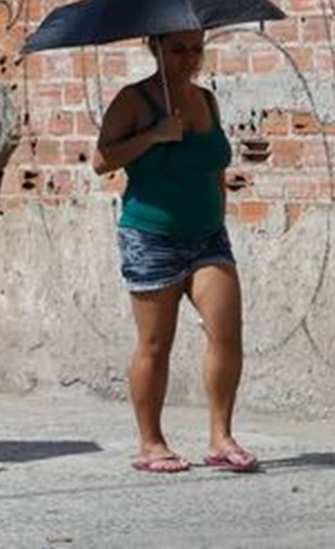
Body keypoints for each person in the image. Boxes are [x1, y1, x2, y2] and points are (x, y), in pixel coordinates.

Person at [93, 29, 257, 474]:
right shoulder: (135, 100)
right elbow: (102, 160)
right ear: (154, 48)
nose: (189, 58)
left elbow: (215, 167)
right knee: (155, 343)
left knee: (226, 332)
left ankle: (221, 437)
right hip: (151, 238)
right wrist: (153, 134)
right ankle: (151, 443)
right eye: (177, 49)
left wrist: (218, 215)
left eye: (196, 49)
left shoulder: (207, 100)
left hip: (207, 235)